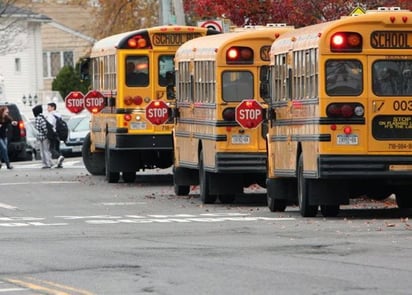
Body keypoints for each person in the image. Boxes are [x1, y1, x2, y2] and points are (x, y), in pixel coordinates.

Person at [32, 104, 55, 169]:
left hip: (42, 137)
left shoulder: (38, 118)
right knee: (47, 150)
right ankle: (50, 162)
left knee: (43, 151)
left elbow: (37, 128)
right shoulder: (43, 117)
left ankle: (46, 163)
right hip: (45, 136)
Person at [45, 102, 64, 167]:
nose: (47, 108)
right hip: (59, 133)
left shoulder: (50, 115)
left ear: (53, 107)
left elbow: (50, 125)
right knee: (57, 148)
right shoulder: (58, 114)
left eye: (48, 107)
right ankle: (60, 163)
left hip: (53, 132)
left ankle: (59, 156)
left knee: (51, 148)